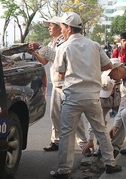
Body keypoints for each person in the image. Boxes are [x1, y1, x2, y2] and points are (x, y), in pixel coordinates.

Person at [52, 12, 122, 179]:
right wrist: (91, 70)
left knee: (67, 134)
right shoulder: (94, 45)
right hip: (92, 95)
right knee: (101, 130)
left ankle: (64, 170)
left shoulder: (63, 47)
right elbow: (108, 64)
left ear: (68, 28)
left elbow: (60, 73)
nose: (61, 30)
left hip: (73, 96)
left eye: (62, 27)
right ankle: (110, 164)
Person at [28, 17, 90, 153]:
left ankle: (83, 143)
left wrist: (40, 48)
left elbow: (57, 57)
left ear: (60, 27)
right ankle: (56, 140)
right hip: (57, 84)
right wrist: (35, 53)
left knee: (75, 116)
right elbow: (45, 61)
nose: (49, 28)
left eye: (52, 26)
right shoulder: (52, 43)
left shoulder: (66, 41)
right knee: (55, 115)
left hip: (68, 84)